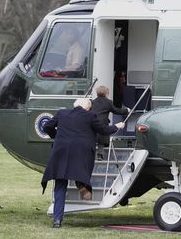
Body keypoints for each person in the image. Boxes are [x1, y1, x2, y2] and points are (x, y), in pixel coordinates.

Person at [41, 98, 125, 228]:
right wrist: (117, 126)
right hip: (81, 153)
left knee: (60, 185)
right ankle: (82, 186)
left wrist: (57, 135)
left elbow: (46, 126)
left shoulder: (62, 113)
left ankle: (57, 220)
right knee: (80, 172)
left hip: (61, 151)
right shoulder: (90, 116)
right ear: (87, 108)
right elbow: (103, 130)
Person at [91, 85, 130, 160]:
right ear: (106, 93)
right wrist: (126, 110)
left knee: (93, 138)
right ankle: (100, 155)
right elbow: (116, 111)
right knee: (101, 140)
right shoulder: (108, 102)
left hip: (93, 122)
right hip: (102, 123)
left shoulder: (93, 102)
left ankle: (92, 154)